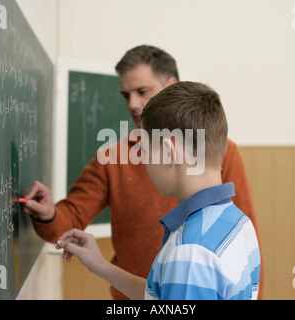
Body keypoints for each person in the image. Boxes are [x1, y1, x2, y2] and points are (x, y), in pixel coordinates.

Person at [23, 45, 263, 299]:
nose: (133, 103)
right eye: (126, 95)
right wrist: (50, 215)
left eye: (141, 92)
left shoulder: (190, 249)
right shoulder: (112, 157)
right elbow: (161, 293)